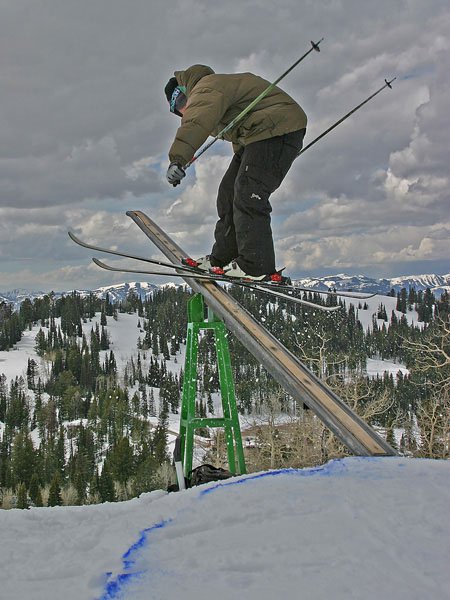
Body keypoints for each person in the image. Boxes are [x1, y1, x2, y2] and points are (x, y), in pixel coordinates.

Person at [164, 64, 307, 282]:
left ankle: (256, 265)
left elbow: (196, 121)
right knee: (228, 193)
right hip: (259, 135)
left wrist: (178, 158)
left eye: (182, 101)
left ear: (186, 89)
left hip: (276, 129)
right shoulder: (213, 89)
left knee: (249, 193)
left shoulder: (206, 88)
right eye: (178, 109)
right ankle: (222, 258)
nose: (184, 109)